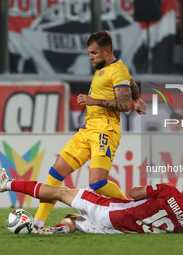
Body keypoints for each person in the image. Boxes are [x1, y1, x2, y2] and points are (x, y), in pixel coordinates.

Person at [33, 30, 147, 228]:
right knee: (55, 173)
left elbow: (123, 104)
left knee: (97, 183)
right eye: (89, 52)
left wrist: (96, 100)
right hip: (88, 130)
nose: (90, 57)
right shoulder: (111, 68)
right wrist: (137, 98)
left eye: (94, 53)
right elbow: (130, 82)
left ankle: (130, 211)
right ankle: (37, 223)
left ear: (106, 51)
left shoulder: (116, 70)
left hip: (106, 130)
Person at [0, 168, 183, 234]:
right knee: (73, 218)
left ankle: (7, 184)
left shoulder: (170, 190)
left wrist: (145, 190)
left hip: (112, 212)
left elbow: (133, 193)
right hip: (121, 230)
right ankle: (58, 230)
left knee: (61, 192)